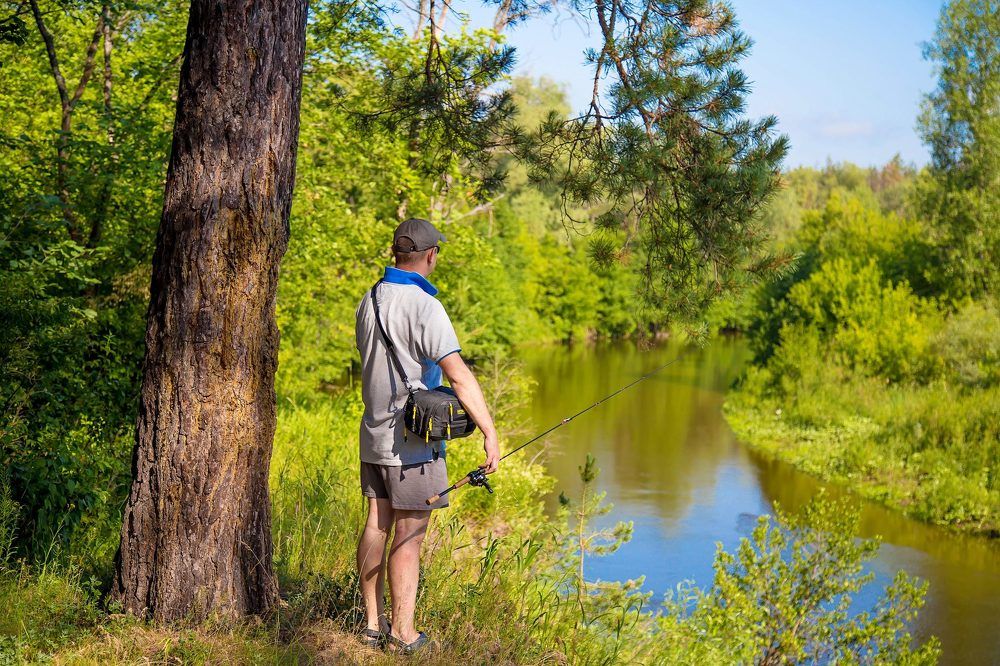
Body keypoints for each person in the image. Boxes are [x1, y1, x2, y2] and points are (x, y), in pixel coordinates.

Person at [354, 217, 500, 654]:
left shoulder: (370, 299)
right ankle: (403, 633)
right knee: (411, 536)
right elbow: (459, 376)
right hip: (412, 446)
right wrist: (489, 432)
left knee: (377, 525)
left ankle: (371, 625)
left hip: (373, 435)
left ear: (396, 253)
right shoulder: (425, 307)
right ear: (431, 255)